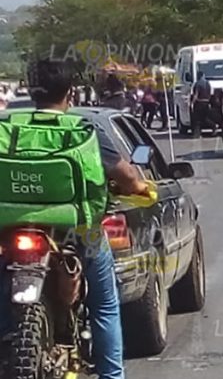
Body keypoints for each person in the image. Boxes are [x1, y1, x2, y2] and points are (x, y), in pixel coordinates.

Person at [0, 59, 150, 379]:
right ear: (71, 93)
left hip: (11, 229)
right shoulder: (84, 130)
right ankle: (111, 375)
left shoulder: (7, 128)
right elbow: (127, 177)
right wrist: (141, 189)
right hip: (78, 231)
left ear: (32, 92)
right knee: (104, 305)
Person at [190, 71, 214, 138]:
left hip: (199, 103)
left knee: (197, 120)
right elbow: (210, 93)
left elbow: (196, 95)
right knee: (205, 118)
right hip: (206, 102)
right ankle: (213, 126)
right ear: (203, 75)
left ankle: (197, 134)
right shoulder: (207, 83)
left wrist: (192, 103)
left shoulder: (197, 84)